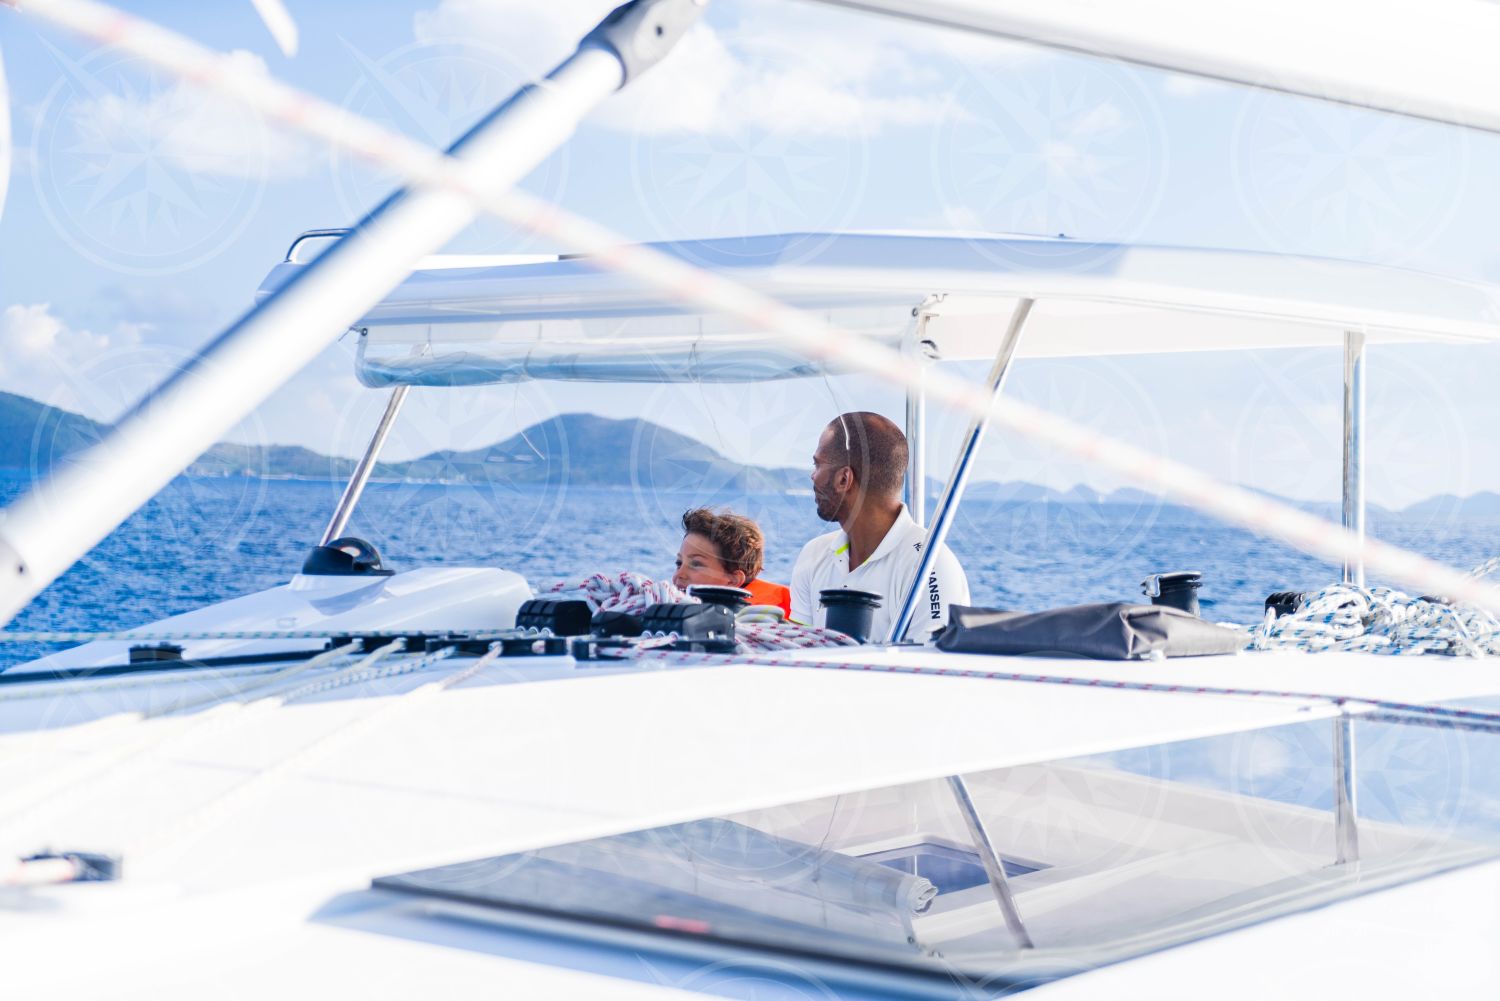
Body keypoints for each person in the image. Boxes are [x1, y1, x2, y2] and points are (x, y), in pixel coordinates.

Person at [791, 412, 969, 641]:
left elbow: (932, 666)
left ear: (844, 479)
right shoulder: (813, 555)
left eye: (817, 465)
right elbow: (795, 649)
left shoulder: (931, 567)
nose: (812, 477)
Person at [672, 507, 793, 617]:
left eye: (696, 564)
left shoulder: (754, 625)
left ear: (733, 580)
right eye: (679, 563)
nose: (679, 575)